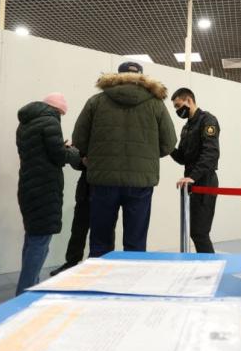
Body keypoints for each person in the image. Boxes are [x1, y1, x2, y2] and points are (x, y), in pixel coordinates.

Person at [72, 61, 176, 257]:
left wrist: (92, 156)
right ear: (142, 78)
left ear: (117, 77)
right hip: (140, 183)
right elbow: (169, 143)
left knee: (100, 242)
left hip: (103, 180)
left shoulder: (96, 101)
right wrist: (146, 156)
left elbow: (79, 139)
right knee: (136, 243)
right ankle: (132, 274)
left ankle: (101, 275)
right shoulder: (156, 104)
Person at [15, 92, 80, 295]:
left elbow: (39, 152)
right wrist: (73, 151)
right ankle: (26, 292)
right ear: (58, 110)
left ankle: (30, 284)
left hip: (28, 184)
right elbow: (58, 157)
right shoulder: (51, 122)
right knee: (40, 242)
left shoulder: (25, 122)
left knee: (32, 238)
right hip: (45, 187)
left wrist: (60, 147)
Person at [170, 88, 220, 253]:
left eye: (179, 105)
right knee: (194, 232)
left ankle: (210, 266)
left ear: (189, 100)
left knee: (200, 233)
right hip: (192, 183)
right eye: (175, 107)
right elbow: (183, 158)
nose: (178, 110)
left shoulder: (208, 120)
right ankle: (203, 264)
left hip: (205, 181)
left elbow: (211, 154)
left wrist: (192, 177)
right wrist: (168, 148)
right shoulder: (186, 127)